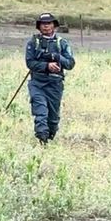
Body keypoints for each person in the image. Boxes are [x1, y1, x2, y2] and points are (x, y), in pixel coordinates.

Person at [24, 13, 75, 144]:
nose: (46, 26)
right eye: (43, 24)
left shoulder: (62, 43)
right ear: (39, 27)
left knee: (53, 119)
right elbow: (30, 63)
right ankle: (42, 138)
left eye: (49, 23)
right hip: (37, 83)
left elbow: (70, 64)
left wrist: (57, 57)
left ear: (54, 26)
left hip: (55, 84)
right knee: (40, 113)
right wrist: (47, 66)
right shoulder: (33, 43)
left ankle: (49, 138)